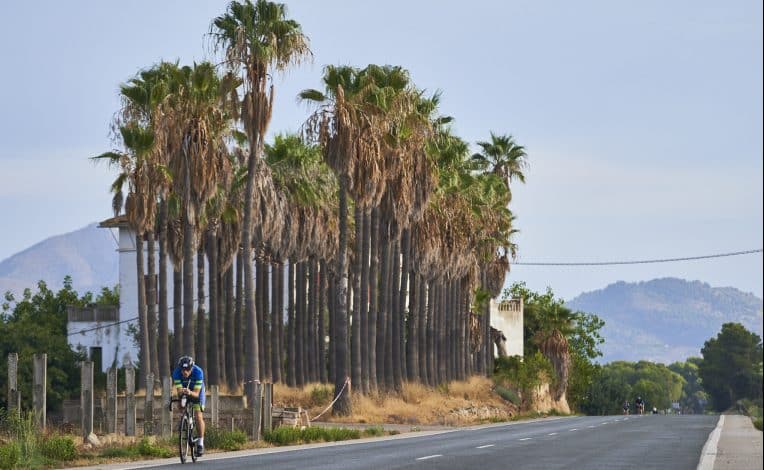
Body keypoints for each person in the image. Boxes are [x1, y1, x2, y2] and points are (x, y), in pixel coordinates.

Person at [172, 356, 206, 456]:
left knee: (198, 415)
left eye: (187, 370)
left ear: (192, 368)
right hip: (185, 389)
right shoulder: (176, 373)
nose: (185, 372)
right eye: (183, 370)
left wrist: (190, 392)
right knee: (181, 405)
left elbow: (196, 393)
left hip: (197, 391)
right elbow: (178, 392)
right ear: (180, 368)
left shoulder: (198, 372)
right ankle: (185, 421)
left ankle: (200, 443)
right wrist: (181, 393)